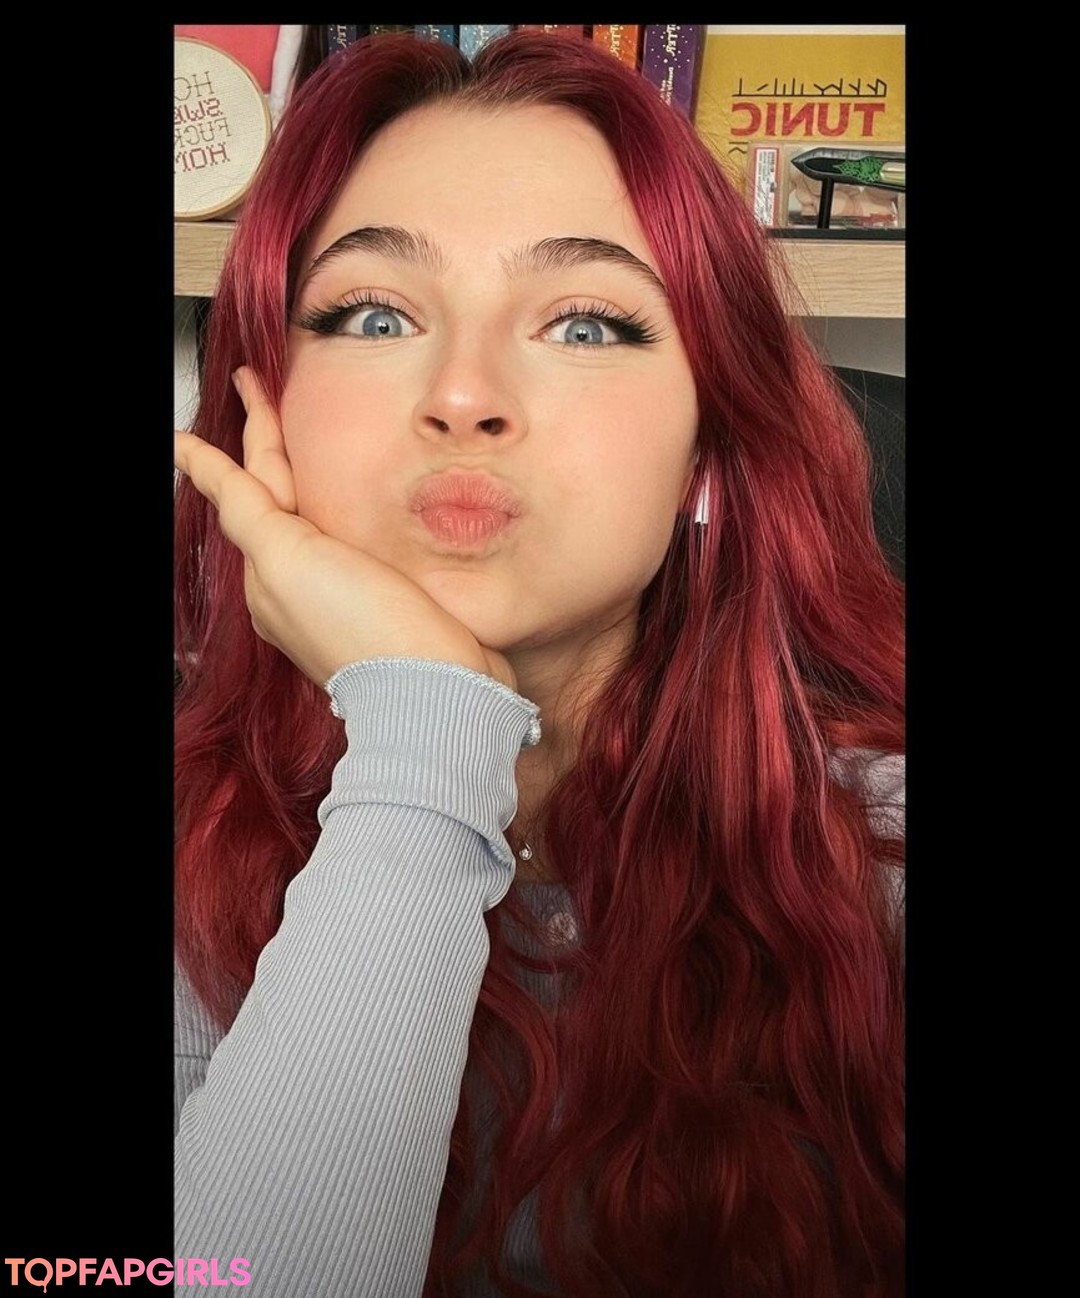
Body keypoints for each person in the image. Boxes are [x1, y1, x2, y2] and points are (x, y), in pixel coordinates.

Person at [173, 30, 905, 1298]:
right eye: (375, 314)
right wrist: (421, 732)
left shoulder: (881, 859)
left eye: (586, 323)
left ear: (707, 449)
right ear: (265, 409)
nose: (464, 395)